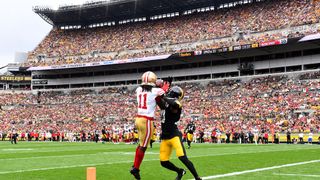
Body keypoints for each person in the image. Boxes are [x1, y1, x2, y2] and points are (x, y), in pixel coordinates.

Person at [130, 71, 170, 180]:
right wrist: (165, 87)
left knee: (141, 143)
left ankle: (135, 166)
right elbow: (163, 97)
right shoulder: (156, 90)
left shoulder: (138, 90)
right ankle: (136, 168)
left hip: (138, 119)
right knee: (143, 146)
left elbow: (156, 99)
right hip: (147, 120)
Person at [158, 86, 202, 180]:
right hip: (165, 137)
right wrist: (158, 90)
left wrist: (163, 96)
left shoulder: (176, 103)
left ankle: (197, 177)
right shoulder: (166, 103)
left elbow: (174, 104)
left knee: (182, 157)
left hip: (174, 136)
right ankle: (180, 171)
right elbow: (158, 99)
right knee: (163, 162)